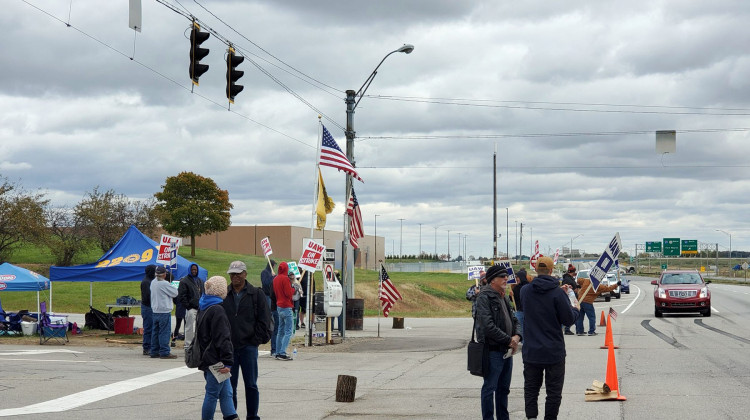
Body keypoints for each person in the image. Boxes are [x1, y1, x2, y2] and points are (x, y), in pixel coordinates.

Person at [519, 256, 580, 420]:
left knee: (531, 388)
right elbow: (568, 319)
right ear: (552, 270)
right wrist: (575, 308)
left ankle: (531, 417)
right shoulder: (556, 293)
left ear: (536, 270)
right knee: (553, 392)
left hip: (531, 350)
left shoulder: (525, 291)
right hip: (553, 351)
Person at [221, 260, 272, 420]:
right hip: (229, 349)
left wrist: (255, 340)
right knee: (230, 386)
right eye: (232, 273)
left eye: (238, 273)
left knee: (251, 385)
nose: (235, 276)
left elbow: (264, 319)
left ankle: (252, 416)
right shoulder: (224, 294)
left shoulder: (256, 294)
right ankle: (232, 415)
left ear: (245, 274)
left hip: (249, 347)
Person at [475, 265, 522, 420]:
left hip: (507, 351)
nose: (506, 279)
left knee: (503, 389)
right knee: (489, 388)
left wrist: (517, 336)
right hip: (493, 351)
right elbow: (487, 326)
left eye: (506, 276)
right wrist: (508, 340)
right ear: (493, 279)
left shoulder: (504, 296)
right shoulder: (484, 297)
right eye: (502, 277)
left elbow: (515, 319)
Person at [197, 275, 238, 420]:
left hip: (207, 356)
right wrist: (227, 361)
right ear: (221, 291)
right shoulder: (218, 310)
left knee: (226, 393)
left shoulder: (204, 306)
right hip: (216, 359)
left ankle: (231, 416)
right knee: (212, 394)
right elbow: (223, 338)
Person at [150, 266, 178, 359]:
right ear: (164, 274)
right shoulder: (164, 284)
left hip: (155, 310)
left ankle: (154, 351)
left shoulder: (153, 282)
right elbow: (175, 293)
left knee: (155, 332)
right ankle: (165, 351)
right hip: (164, 310)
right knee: (164, 332)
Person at [177, 263, 205, 348]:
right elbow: (182, 296)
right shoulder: (184, 281)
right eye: (192, 269)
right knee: (189, 327)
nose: (194, 271)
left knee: (200, 327)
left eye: (195, 270)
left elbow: (203, 293)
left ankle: (198, 343)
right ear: (189, 270)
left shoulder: (200, 281)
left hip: (200, 308)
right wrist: (188, 306)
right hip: (191, 308)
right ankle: (188, 344)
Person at [272, 262, 295, 360]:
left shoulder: (276, 278)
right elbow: (288, 294)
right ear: (286, 269)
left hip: (279, 306)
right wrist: (294, 288)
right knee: (288, 331)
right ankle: (282, 352)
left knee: (280, 331)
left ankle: (277, 352)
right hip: (286, 306)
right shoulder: (285, 278)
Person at [140, 264, 157, 356]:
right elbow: (147, 296)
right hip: (148, 307)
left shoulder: (151, 281)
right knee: (148, 328)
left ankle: (152, 346)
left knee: (152, 327)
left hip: (151, 306)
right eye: (154, 271)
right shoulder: (146, 282)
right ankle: (146, 347)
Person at [560, 265, 579, 336]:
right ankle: (567, 329)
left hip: (571, 297)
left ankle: (570, 328)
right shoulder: (568, 279)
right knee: (571, 313)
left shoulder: (568, 278)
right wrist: (574, 288)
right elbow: (569, 288)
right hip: (570, 298)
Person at [511, 269, 531, 335]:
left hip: (527, 311)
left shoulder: (529, 287)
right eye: (516, 277)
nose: (516, 279)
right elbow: (512, 300)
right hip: (519, 310)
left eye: (518, 277)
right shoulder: (515, 287)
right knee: (520, 328)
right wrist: (511, 295)